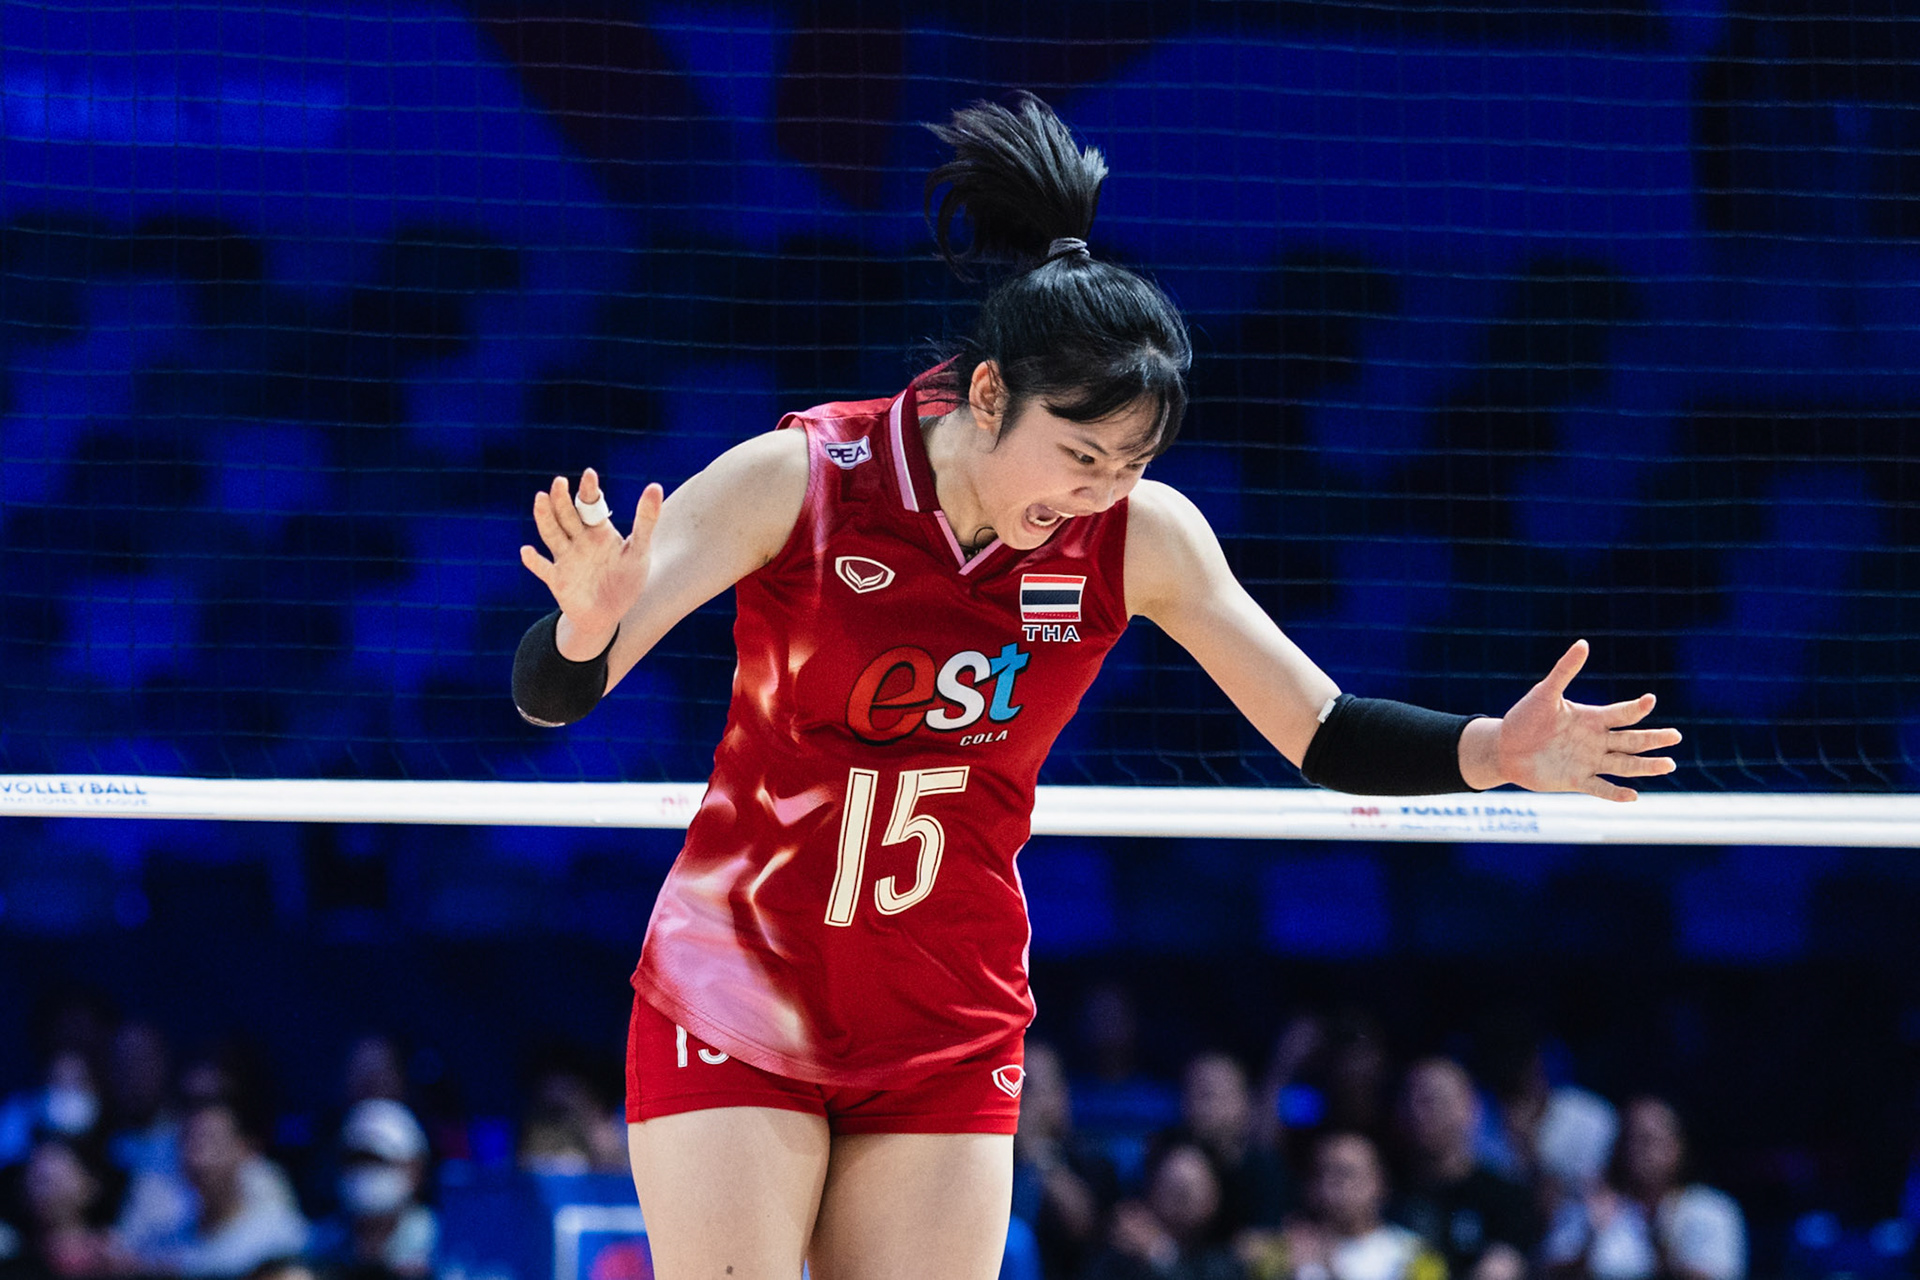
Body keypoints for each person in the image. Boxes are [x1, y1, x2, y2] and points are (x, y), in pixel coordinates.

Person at [511, 92, 1681, 1279]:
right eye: (1078, 456)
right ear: (985, 397)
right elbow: (555, 693)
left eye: (1128, 465)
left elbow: (1319, 727)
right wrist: (584, 624)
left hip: (944, 1018)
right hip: (738, 983)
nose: (1093, 492)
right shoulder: (801, 478)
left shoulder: (1139, 537)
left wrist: (1493, 747)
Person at [1543, 1096, 1744, 1280]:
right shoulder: (1592, 1205)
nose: (1636, 1152)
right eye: (1629, 1140)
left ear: (1677, 1147)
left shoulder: (1711, 1210)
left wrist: (1661, 1245)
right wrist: (1590, 1238)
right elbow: (1549, 1272)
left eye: (1649, 1141)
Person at [1389, 1058, 1537, 1280]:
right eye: (1410, 1100)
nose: (1418, 1112)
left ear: (1469, 1107)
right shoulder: (1385, 1189)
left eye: (1431, 1101)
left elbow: (1502, 1269)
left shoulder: (1507, 1198)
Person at [1245, 1133, 1444, 1280]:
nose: (1330, 1183)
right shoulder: (1282, 1252)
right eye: (1321, 1173)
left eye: (1345, 1174)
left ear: (1379, 1184)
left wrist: (1324, 1270)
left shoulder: (1415, 1255)